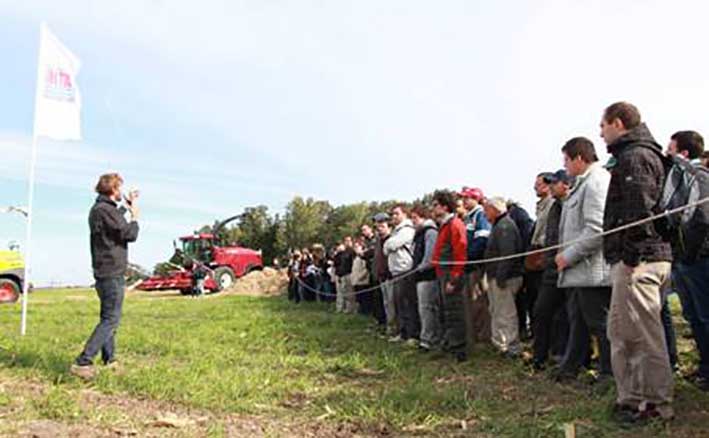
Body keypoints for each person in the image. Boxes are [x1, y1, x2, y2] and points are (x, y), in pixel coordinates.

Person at [601, 102, 674, 423]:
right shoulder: (631, 156)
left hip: (640, 260)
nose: (600, 132)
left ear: (618, 123)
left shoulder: (636, 157)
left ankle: (656, 404)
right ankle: (631, 398)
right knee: (622, 332)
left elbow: (639, 214)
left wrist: (630, 257)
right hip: (633, 260)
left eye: (602, 125)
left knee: (644, 335)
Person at [553, 137, 612, 386]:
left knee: (600, 324)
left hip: (592, 270)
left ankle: (610, 375)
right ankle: (569, 368)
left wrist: (567, 256)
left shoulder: (596, 182)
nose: (564, 165)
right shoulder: (582, 183)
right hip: (580, 270)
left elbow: (596, 230)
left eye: (566, 159)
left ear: (579, 158)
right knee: (578, 319)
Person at [71, 173, 140, 380]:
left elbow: (114, 225)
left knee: (108, 318)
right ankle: (83, 362)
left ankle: (110, 360)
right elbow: (129, 234)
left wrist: (125, 207)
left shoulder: (101, 209)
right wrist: (135, 215)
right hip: (111, 272)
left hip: (104, 271)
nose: (121, 192)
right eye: (119, 189)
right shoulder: (104, 210)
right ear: (112, 190)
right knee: (111, 319)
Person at [665, 130, 709, 391]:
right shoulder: (681, 179)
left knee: (704, 316)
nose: (667, 154)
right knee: (693, 316)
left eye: (671, 148)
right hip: (686, 259)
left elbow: (701, 218)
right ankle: (705, 369)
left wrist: (688, 253)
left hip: (698, 259)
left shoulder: (698, 176)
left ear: (683, 152)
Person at [531, 170, 573, 370]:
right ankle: (540, 357)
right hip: (552, 266)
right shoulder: (556, 206)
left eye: (553, 183)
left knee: (567, 315)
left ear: (565, 184)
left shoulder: (572, 204)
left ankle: (565, 356)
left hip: (570, 265)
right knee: (542, 312)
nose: (550, 187)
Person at [483, 196, 525, 358]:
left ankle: (512, 346)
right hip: (498, 276)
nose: (485, 213)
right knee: (497, 310)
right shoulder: (499, 225)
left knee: (506, 312)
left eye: (487, 209)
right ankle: (501, 343)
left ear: (495, 209)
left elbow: (508, 253)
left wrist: (501, 276)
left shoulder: (505, 226)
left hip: (506, 277)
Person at [431, 190, 469, 362]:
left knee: (454, 312)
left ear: (445, 206)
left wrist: (454, 278)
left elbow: (460, 253)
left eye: (436, 205)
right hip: (442, 274)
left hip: (450, 275)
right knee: (445, 311)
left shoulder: (455, 224)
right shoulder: (444, 225)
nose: (433, 208)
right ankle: (449, 344)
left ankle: (459, 350)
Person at [523, 173, 555, 340]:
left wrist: (541, 250)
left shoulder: (551, 204)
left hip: (544, 256)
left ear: (549, 185)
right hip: (536, 256)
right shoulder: (541, 206)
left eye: (539, 184)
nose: (535, 187)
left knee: (544, 306)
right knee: (535, 302)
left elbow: (548, 233)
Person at [460, 186, 492, 346]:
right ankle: (475, 337)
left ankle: (484, 338)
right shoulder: (468, 217)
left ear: (476, 198)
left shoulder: (480, 215)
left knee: (479, 302)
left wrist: (468, 258)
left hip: (477, 266)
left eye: (468, 197)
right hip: (469, 266)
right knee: (471, 303)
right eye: (463, 198)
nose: (464, 200)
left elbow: (482, 240)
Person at [384, 204, 419, 344]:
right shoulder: (396, 231)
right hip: (396, 271)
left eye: (396, 213)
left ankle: (412, 334)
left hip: (406, 269)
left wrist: (389, 244)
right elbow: (385, 248)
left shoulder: (407, 229)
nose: (394, 216)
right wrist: (388, 244)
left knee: (408, 303)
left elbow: (391, 245)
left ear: (405, 214)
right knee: (399, 304)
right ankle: (403, 332)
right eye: (392, 214)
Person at [410, 204, 441, 351]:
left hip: (428, 276)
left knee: (428, 308)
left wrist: (419, 268)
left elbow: (430, 256)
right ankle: (427, 337)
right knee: (423, 308)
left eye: (415, 218)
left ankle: (430, 340)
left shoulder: (430, 232)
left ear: (424, 217)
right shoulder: (420, 233)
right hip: (420, 277)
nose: (413, 221)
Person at [373, 213, 395, 335]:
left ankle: (394, 329)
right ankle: (389, 327)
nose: (379, 229)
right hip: (381, 276)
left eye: (382, 226)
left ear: (389, 227)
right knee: (386, 304)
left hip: (390, 275)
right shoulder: (378, 241)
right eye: (378, 227)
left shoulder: (391, 240)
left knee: (392, 304)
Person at [333, 237, 356, 314]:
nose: (347, 242)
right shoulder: (340, 253)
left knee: (349, 292)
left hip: (348, 273)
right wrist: (337, 253)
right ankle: (339, 308)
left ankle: (349, 309)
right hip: (339, 274)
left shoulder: (352, 252)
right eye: (346, 241)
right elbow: (335, 263)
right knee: (340, 292)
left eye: (349, 241)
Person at [351, 240, 372, 315]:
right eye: (355, 247)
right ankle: (361, 311)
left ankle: (366, 312)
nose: (355, 248)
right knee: (359, 298)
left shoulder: (364, 256)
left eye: (357, 247)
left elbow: (366, 269)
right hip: (356, 281)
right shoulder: (355, 257)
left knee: (365, 298)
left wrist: (360, 277)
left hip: (363, 281)